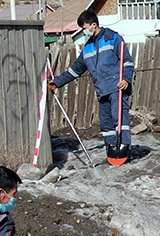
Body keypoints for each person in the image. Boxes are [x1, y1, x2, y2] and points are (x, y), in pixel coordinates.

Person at [50, 9, 136, 165]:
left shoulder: (113, 38)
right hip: (102, 90)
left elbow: (127, 62)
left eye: (84, 28)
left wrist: (126, 79)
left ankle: (125, 151)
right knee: (106, 124)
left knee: (120, 121)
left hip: (116, 87)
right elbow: (75, 70)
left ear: (93, 24)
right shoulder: (88, 47)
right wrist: (57, 82)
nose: (84, 31)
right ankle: (112, 152)